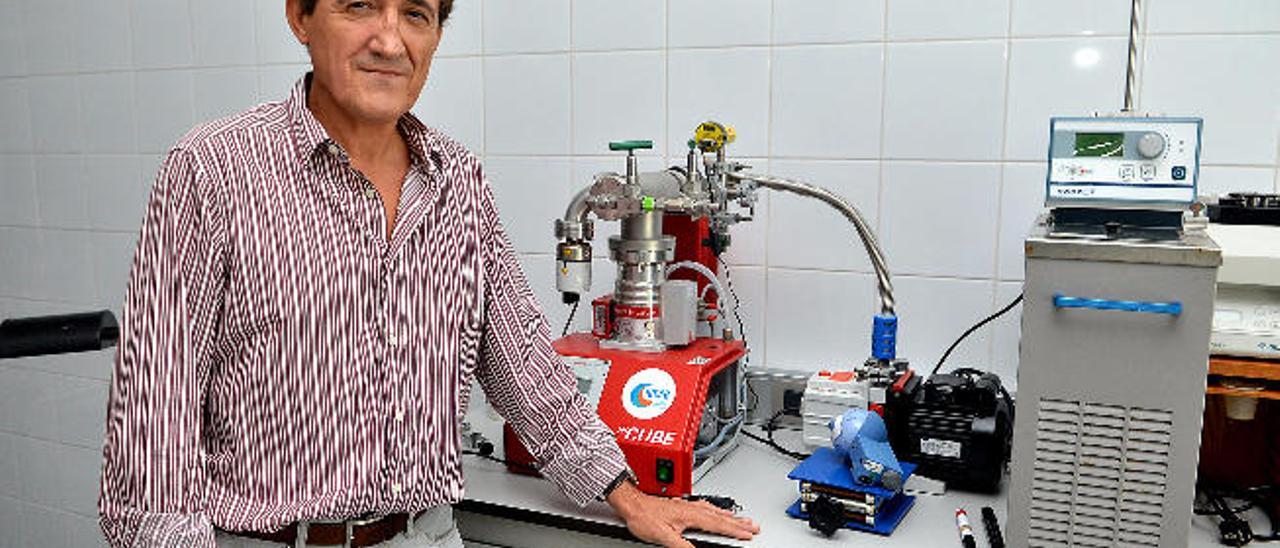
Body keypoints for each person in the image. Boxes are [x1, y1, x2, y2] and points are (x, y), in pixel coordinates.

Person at [97, 1, 760, 547]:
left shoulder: (459, 181)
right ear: (301, 16)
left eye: (415, 14)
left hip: (428, 536)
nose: (390, 40)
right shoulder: (213, 170)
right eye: (359, 7)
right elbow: (155, 423)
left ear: (437, 35)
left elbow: (523, 365)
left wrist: (625, 495)